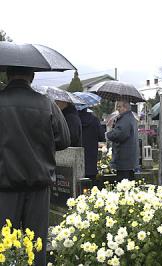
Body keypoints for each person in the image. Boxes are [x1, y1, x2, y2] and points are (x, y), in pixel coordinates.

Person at [0, 66, 71, 265]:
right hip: (38, 184)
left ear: (7, 75)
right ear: (32, 76)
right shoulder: (46, 104)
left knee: (3, 246)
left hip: (4, 185)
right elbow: (64, 139)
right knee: (37, 245)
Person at [106, 100, 139, 181]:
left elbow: (120, 134)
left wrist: (107, 135)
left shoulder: (125, 119)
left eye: (119, 106)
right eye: (117, 106)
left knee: (124, 184)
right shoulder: (128, 117)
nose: (118, 109)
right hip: (127, 159)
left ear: (125, 108)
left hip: (124, 158)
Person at [78, 108, 105, 186]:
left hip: (78, 159)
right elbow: (102, 136)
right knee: (91, 186)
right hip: (91, 159)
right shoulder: (94, 120)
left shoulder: (74, 119)